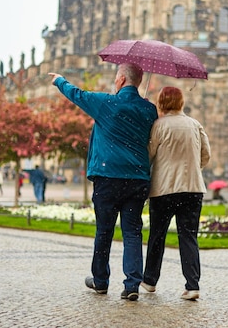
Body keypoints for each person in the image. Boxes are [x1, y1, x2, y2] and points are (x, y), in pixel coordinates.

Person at [48, 63, 158, 302]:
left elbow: (77, 95)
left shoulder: (106, 103)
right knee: (132, 233)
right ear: (138, 82)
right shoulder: (149, 109)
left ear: (120, 80)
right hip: (137, 177)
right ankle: (132, 285)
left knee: (104, 231)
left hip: (108, 177)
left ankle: (100, 281)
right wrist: (143, 108)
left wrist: (59, 80)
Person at [141, 87, 211, 301]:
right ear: (181, 102)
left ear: (161, 103)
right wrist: (192, 169)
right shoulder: (194, 124)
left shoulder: (158, 126)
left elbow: (148, 155)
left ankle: (150, 280)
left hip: (164, 189)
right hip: (192, 188)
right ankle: (192, 285)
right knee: (188, 236)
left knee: (157, 236)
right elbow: (206, 154)